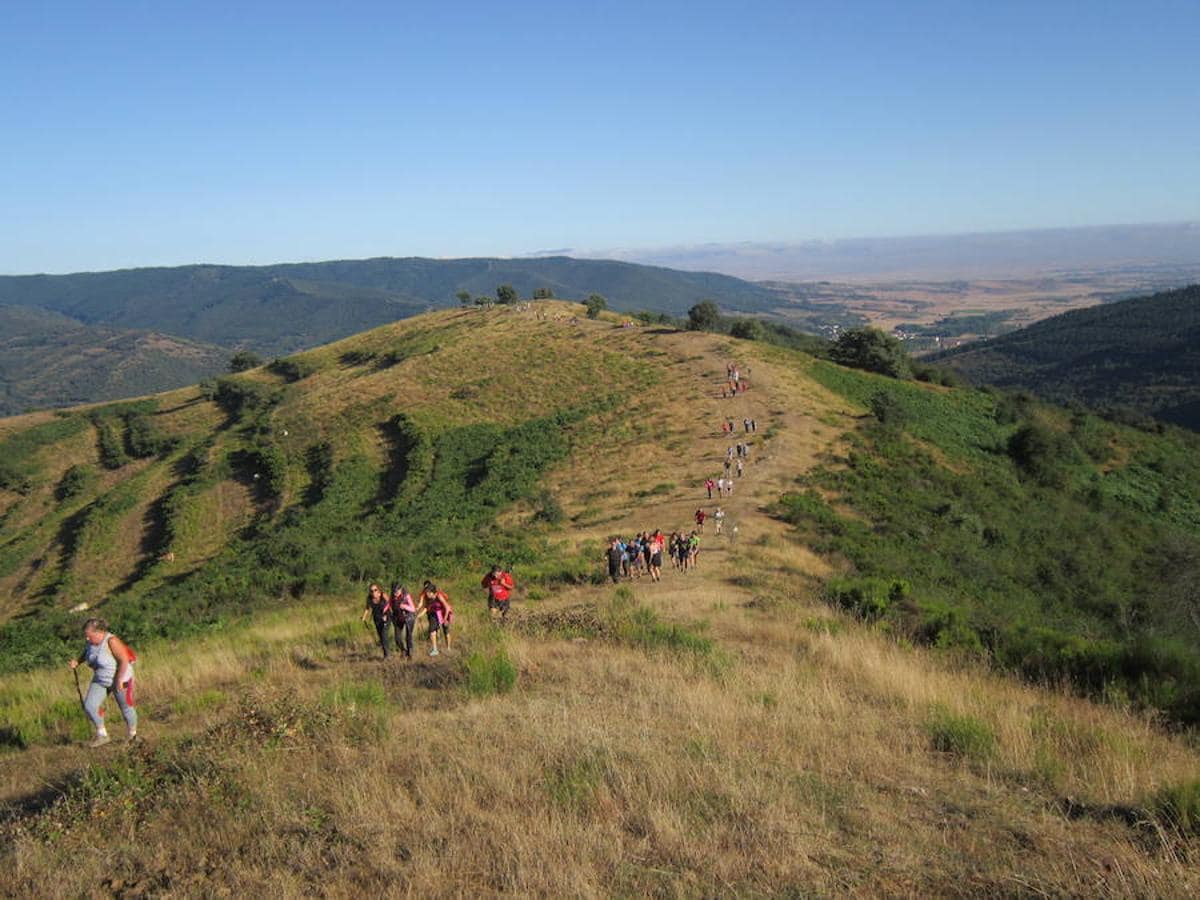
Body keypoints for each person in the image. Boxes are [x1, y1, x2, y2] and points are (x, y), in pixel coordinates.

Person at [68, 617, 138, 747]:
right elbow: (86, 652)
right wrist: (77, 661)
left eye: (89, 636)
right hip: (100, 679)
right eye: (86, 636)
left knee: (126, 707)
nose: (87, 639)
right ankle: (102, 735)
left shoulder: (111, 641)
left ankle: (132, 736)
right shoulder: (91, 643)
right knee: (89, 705)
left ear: (98, 632)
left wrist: (119, 679)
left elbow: (124, 660)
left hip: (121, 678)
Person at [417, 582, 453, 656]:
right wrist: (420, 615)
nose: (426, 594)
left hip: (444, 613)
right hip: (435, 614)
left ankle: (448, 648)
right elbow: (427, 607)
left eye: (427, 592)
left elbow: (447, 607)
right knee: (432, 630)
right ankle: (435, 649)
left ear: (432, 593)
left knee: (446, 631)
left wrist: (445, 619)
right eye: (426, 592)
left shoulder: (439, 596)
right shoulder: (428, 598)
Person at [361, 582, 391, 659]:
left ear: (378, 590)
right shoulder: (369, 598)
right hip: (377, 618)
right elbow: (367, 608)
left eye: (375, 590)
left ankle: (387, 655)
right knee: (381, 636)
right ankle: (386, 652)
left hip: (386, 617)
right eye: (371, 590)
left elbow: (390, 603)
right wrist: (364, 617)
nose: (373, 592)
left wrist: (387, 613)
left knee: (384, 634)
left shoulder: (383, 595)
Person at [391, 584, 417, 659]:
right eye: (394, 591)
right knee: (397, 638)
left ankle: (410, 653)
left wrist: (405, 606)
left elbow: (413, 609)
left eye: (397, 591)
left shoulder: (406, 596)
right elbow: (389, 604)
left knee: (408, 636)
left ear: (401, 590)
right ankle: (403, 650)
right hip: (398, 618)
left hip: (408, 618)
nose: (395, 593)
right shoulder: (392, 597)